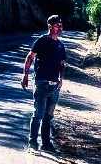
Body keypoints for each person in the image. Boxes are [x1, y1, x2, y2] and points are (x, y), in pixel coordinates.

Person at [21, 15, 68, 152]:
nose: (60, 28)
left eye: (61, 25)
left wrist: (60, 79)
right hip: (41, 83)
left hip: (54, 86)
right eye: (57, 25)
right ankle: (33, 144)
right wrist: (25, 75)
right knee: (38, 114)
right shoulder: (42, 41)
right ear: (49, 26)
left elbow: (62, 64)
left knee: (48, 117)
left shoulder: (60, 45)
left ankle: (46, 144)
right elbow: (30, 57)